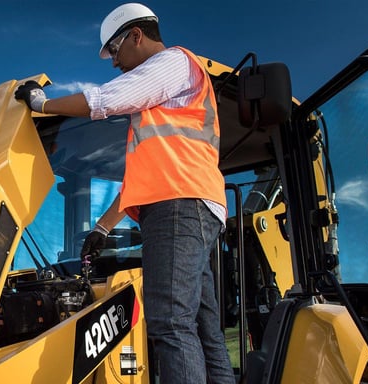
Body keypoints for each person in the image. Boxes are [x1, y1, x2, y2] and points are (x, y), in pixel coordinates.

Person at [15, 3, 234, 383]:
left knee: (169, 323)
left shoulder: (174, 63)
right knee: (202, 326)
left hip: (178, 205)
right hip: (190, 203)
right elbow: (143, 181)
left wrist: (41, 104)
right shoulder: (161, 115)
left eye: (114, 51)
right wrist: (101, 228)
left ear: (136, 35)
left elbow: (106, 100)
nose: (114, 63)